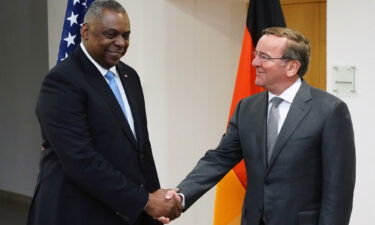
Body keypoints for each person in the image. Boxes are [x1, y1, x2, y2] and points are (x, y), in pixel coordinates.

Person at [162, 27, 356, 225]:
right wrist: (181, 196)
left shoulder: (330, 110)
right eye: (256, 55)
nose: (254, 63)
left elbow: (339, 190)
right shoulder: (247, 108)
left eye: (264, 57)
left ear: (292, 67)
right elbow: (219, 159)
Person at [27, 1, 181, 225]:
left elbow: (141, 150)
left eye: (126, 35)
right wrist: (145, 202)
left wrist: (154, 205)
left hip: (120, 210)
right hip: (75, 213)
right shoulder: (62, 81)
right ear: (85, 32)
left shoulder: (129, 77)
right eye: (111, 34)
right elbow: (81, 161)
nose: (120, 43)